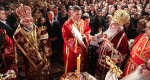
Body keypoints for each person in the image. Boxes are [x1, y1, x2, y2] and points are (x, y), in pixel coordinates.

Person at [13, 4, 52, 80]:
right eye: (26, 21)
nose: (30, 22)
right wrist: (21, 66)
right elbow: (17, 52)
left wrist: (45, 39)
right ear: (22, 22)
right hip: (29, 63)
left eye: (31, 20)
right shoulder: (17, 35)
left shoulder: (37, 29)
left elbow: (45, 44)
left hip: (43, 59)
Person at [95, 10, 130, 80]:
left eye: (114, 24)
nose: (110, 25)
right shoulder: (109, 32)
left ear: (119, 27)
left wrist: (112, 49)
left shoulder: (123, 38)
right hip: (100, 64)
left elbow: (123, 55)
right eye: (111, 22)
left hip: (110, 69)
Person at [62, 5, 91, 73]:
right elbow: (66, 38)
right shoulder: (67, 24)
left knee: (82, 66)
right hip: (71, 49)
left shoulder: (82, 22)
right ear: (72, 14)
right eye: (77, 14)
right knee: (72, 66)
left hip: (81, 47)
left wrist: (84, 37)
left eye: (80, 14)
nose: (79, 16)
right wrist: (77, 40)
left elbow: (87, 31)